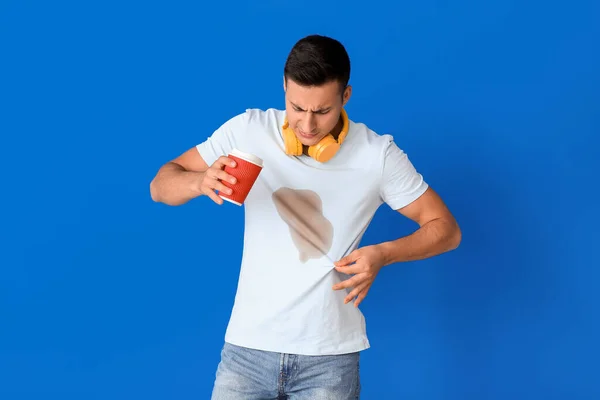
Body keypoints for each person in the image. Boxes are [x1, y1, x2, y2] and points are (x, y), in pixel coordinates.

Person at [150, 34, 461, 400]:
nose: (308, 126)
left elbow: (446, 230)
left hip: (329, 360)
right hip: (246, 352)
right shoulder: (248, 130)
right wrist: (199, 181)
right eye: (297, 108)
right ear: (283, 87)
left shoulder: (378, 155)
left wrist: (383, 254)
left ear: (345, 96)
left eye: (322, 111)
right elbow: (161, 185)